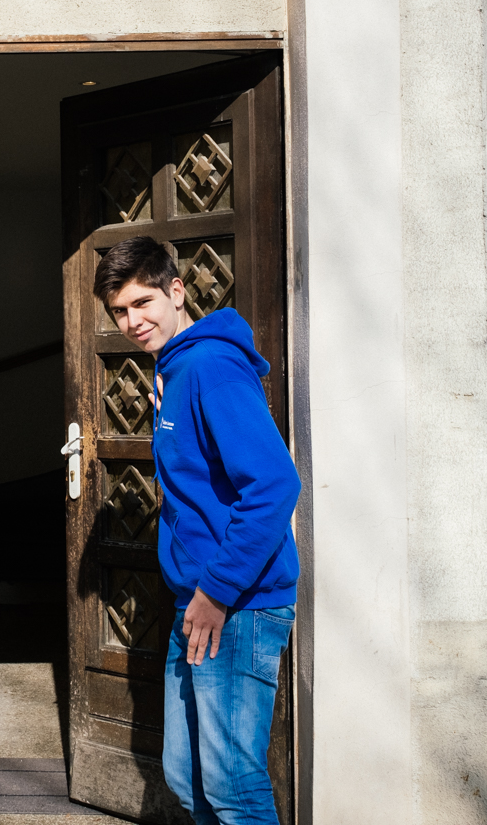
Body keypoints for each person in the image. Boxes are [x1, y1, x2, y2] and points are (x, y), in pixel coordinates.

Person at [93, 235, 300, 825]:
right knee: (186, 781)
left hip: (238, 605)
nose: (132, 322)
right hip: (199, 602)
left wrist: (214, 593)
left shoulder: (210, 366)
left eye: (142, 304)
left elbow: (274, 486)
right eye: (120, 311)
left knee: (233, 788)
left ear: (176, 290)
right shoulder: (176, 370)